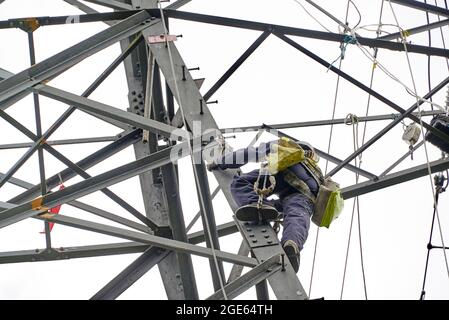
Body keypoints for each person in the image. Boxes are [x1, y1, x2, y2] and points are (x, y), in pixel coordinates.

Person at [207, 137, 323, 273]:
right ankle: (292, 244)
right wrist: (273, 207)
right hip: (307, 194)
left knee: (239, 184)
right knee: (297, 215)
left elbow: (249, 153)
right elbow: (289, 204)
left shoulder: (286, 146)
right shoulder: (317, 172)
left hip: (281, 175)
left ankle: (258, 205)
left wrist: (220, 162)